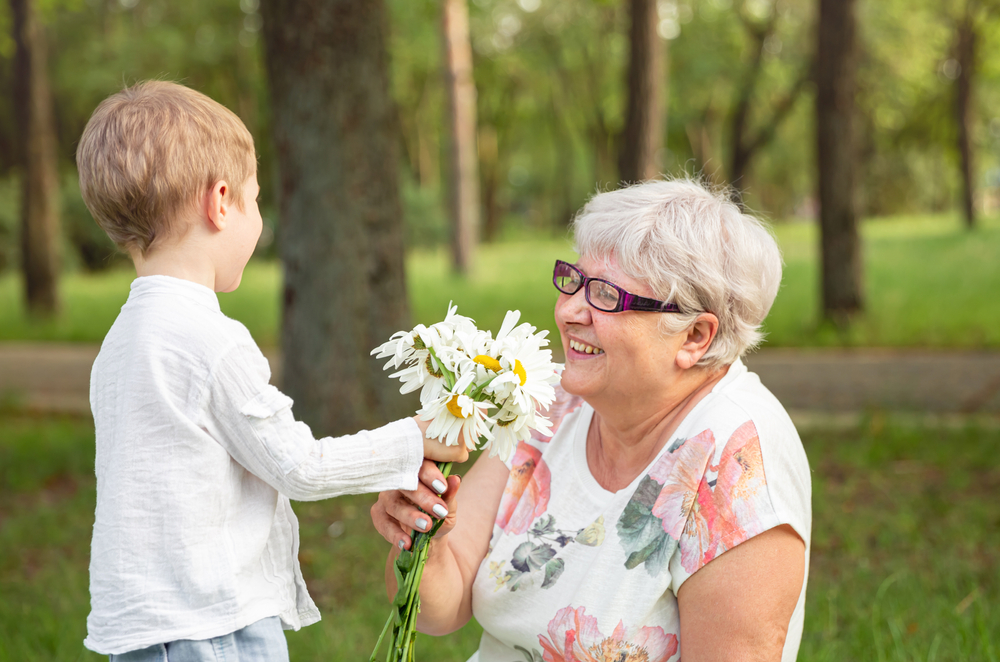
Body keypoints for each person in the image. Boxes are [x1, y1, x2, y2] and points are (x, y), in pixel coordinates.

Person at [76, 81, 467, 661]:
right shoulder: (210, 340)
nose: (259, 218)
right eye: (257, 200)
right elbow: (299, 467)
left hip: (147, 628)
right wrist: (411, 440)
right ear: (221, 201)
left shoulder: (123, 338)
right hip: (211, 627)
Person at [371, 179, 811, 662]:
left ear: (695, 337)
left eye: (605, 295)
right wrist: (422, 540)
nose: (570, 311)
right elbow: (439, 609)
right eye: (574, 281)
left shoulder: (737, 464)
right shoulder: (550, 403)